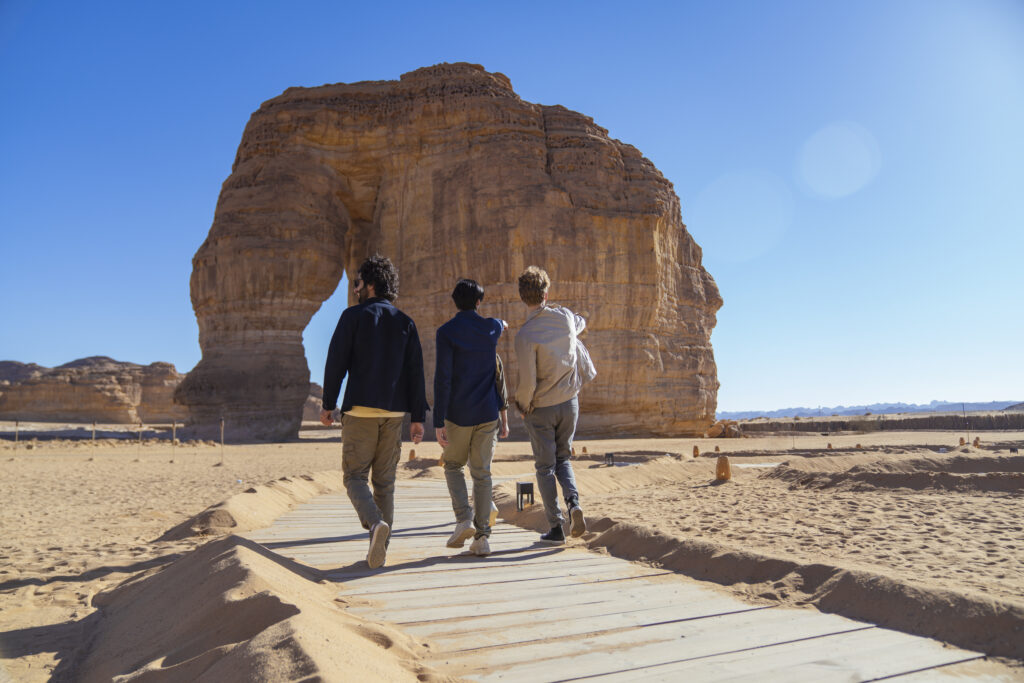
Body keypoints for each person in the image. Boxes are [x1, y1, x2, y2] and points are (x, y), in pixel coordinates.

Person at [320, 255, 428, 568]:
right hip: (394, 415)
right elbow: (415, 373)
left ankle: (375, 524)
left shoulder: (352, 317)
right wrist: (418, 418)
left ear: (369, 284)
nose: (354, 289)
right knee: (385, 484)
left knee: (354, 476)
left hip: (360, 411)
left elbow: (336, 363)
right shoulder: (405, 322)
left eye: (357, 283)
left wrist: (329, 404)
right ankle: (380, 547)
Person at [434, 278, 509, 557]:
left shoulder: (446, 332)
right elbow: (500, 324)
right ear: (479, 302)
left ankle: (463, 518)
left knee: (453, 466)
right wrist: (501, 324)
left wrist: (438, 420)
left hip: (458, 414)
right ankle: (482, 538)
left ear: (455, 302)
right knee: (482, 474)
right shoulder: (491, 327)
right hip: (488, 414)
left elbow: (442, 379)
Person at [514, 266, 587, 544]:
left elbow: (528, 382)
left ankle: (556, 527)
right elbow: (580, 322)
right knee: (562, 459)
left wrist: (522, 405)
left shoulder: (525, 335)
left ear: (523, 297)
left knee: (544, 467)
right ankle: (574, 504)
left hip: (541, 409)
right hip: (569, 404)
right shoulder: (566, 317)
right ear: (547, 293)